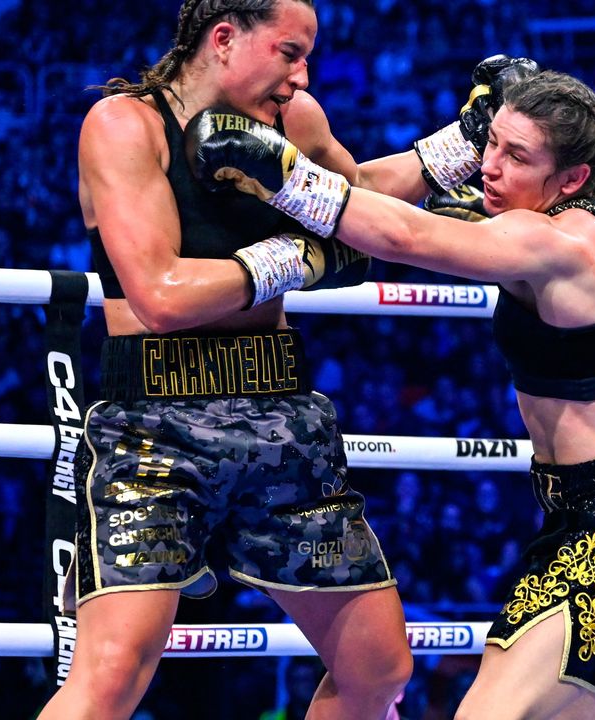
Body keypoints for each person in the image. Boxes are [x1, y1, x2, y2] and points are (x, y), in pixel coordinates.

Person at [188, 65, 595, 719]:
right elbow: (446, 227)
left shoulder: (560, 240)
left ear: (571, 179)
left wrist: (283, 171)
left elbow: (406, 236)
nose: (490, 165)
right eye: (493, 145)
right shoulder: (577, 217)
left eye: (518, 157)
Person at [38, 2, 420, 718]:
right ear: (223, 39)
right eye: (288, 52)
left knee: (378, 670)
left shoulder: (294, 121)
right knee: (112, 676)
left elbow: (365, 208)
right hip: (154, 427)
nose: (300, 75)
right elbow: (160, 294)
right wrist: (300, 256)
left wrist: (461, 147)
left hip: (282, 415)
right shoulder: (124, 126)